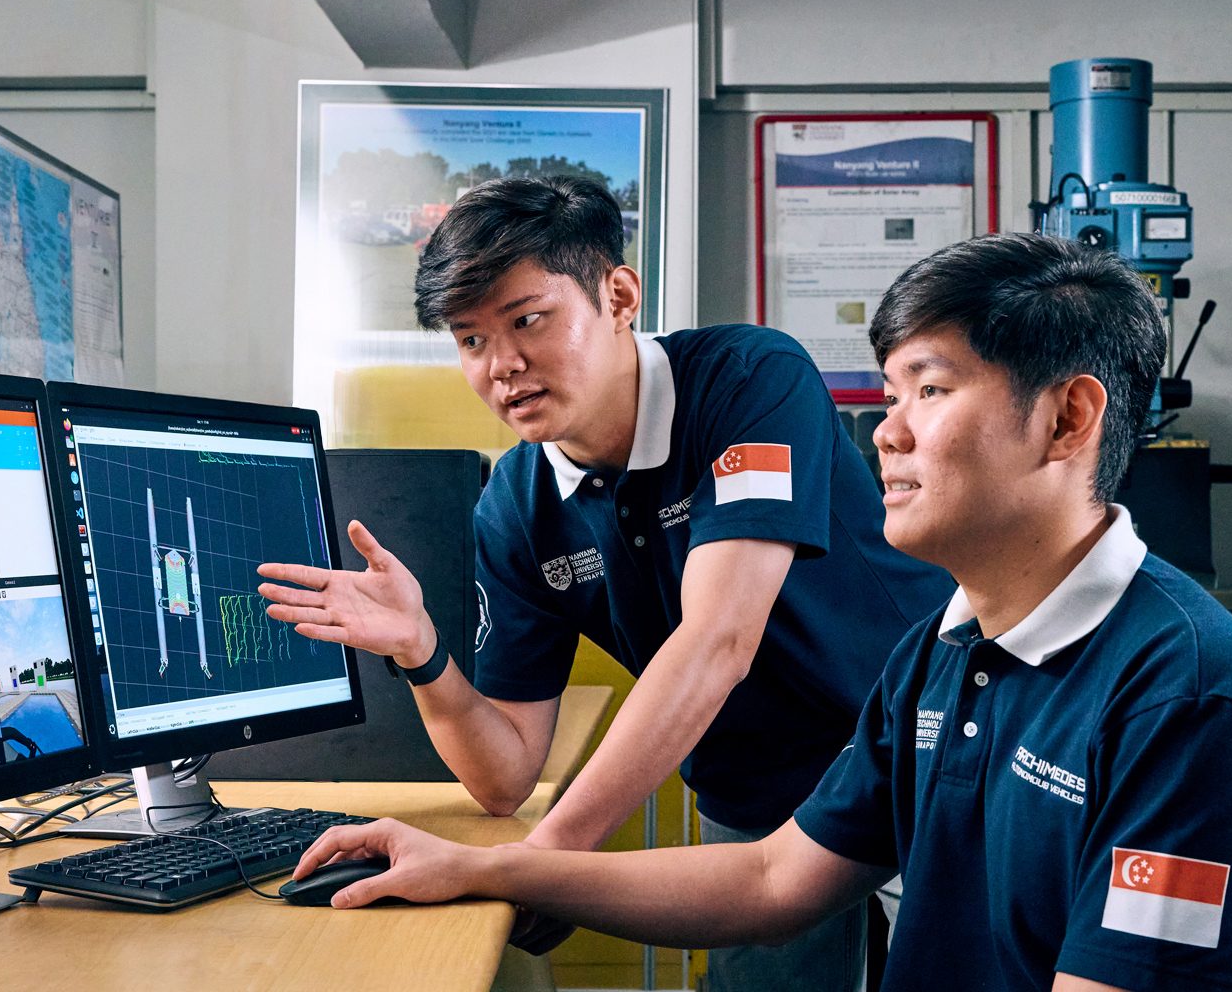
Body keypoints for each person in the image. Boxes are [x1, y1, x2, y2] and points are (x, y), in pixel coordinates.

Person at [288, 233, 1232, 992]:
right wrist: (484, 859)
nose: (884, 432)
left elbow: (719, 637)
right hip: (789, 791)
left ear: (1066, 417)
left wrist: (534, 868)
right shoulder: (943, 655)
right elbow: (775, 877)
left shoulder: (1191, 708)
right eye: (888, 393)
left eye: (928, 390)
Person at [259, 176, 952, 989]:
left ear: (618, 294)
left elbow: (718, 640)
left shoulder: (746, 378)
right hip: (756, 792)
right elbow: (506, 772)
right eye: (471, 340)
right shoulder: (517, 507)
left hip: (921, 749)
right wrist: (422, 655)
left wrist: (542, 862)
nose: (503, 367)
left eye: (527, 320)